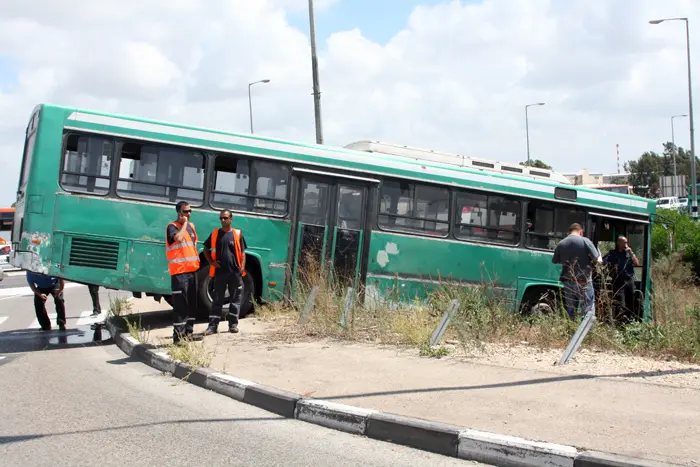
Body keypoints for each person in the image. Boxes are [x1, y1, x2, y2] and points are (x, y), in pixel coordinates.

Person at [202, 209, 247, 335]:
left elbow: (243, 253)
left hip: (234, 272)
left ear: (231, 219)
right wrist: (211, 262)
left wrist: (242, 267)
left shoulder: (237, 234)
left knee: (235, 299)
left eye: (225, 218)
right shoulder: (216, 233)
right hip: (220, 272)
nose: (222, 220)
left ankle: (233, 324)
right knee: (217, 300)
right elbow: (206, 249)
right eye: (221, 218)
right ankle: (212, 326)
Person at [165, 201, 200, 343]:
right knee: (180, 305)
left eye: (190, 211)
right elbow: (178, 239)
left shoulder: (192, 227)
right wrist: (184, 224)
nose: (189, 214)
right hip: (179, 272)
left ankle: (188, 333)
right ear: (179, 213)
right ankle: (178, 337)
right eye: (186, 212)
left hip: (192, 270)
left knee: (192, 304)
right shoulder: (172, 227)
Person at [552, 223, 602, 321]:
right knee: (588, 311)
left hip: (567, 282)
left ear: (569, 232)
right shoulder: (585, 241)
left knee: (571, 310)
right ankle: (585, 333)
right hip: (583, 282)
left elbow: (555, 261)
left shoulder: (561, 243)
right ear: (581, 232)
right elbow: (597, 259)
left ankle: (571, 331)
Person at [603, 236, 641, 322]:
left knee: (631, 300)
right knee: (620, 301)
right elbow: (603, 262)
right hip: (618, 280)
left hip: (629, 280)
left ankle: (630, 320)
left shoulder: (628, 253)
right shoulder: (612, 253)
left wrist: (631, 253)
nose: (625, 244)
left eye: (626, 242)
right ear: (618, 243)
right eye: (624, 242)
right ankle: (620, 320)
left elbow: (637, 263)